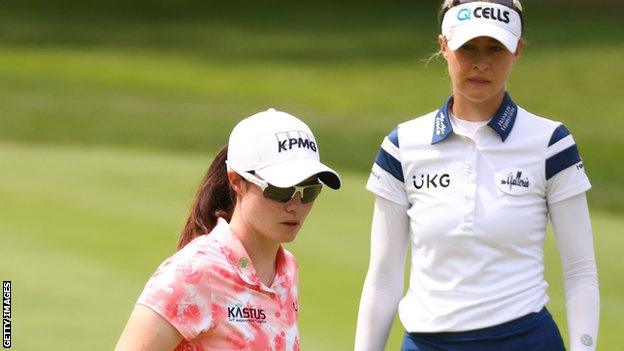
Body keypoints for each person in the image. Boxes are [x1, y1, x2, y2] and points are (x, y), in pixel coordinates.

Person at [354, 1, 599, 350]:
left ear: (517, 50)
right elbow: (383, 279)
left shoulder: (550, 143)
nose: (481, 62)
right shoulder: (402, 146)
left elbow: (580, 272)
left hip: (525, 342)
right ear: (443, 46)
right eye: (467, 47)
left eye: (495, 48)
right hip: (428, 344)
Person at [115, 108, 341, 351]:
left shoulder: (287, 270)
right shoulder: (194, 273)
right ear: (237, 181)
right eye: (280, 191)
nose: (295, 206)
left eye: (309, 192)